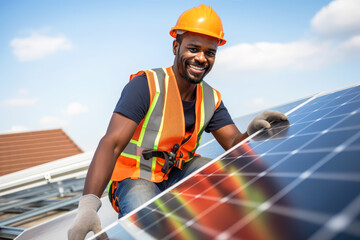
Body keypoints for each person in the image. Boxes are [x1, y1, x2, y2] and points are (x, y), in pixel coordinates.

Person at [68, 4, 287, 240]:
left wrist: (252, 132)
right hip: (135, 177)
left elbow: (233, 143)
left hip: (176, 172)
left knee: (225, 176)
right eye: (193, 49)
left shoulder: (210, 98)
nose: (201, 58)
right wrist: (89, 205)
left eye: (210, 52)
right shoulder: (146, 85)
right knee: (146, 219)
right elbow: (111, 143)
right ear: (176, 46)